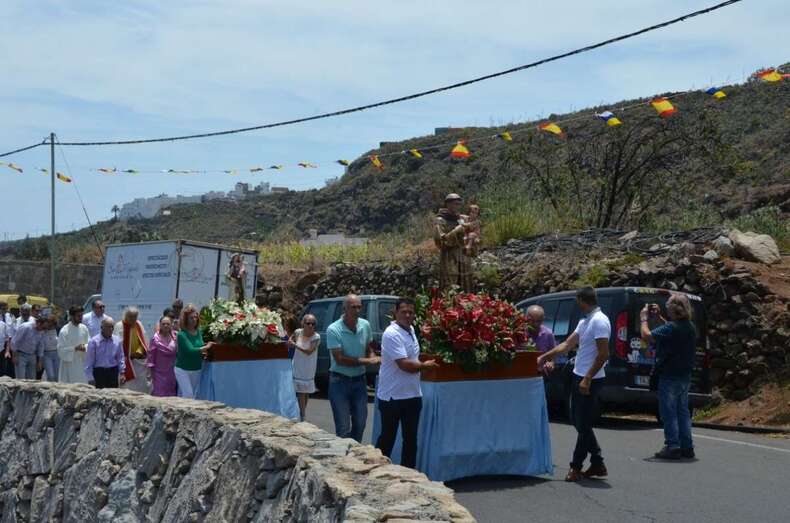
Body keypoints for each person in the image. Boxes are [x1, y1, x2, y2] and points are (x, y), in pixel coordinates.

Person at [538, 287, 611, 482]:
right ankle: (596, 461)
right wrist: (546, 355)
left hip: (591, 378)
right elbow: (567, 345)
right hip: (579, 374)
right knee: (580, 422)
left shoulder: (599, 321)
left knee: (583, 423)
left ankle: (578, 465)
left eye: (577, 301)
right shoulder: (585, 321)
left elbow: (604, 354)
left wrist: (587, 378)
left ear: (581, 300)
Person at [375, 298, 439, 469]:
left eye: (411, 312)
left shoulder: (410, 329)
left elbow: (412, 355)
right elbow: (405, 365)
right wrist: (425, 366)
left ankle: (408, 477)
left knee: (410, 440)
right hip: (392, 397)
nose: (408, 315)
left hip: (412, 394)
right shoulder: (391, 333)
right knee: (387, 438)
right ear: (395, 313)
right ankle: (375, 471)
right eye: (404, 312)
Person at [640, 295, 697, 460]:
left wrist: (644, 319)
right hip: (684, 376)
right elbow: (672, 330)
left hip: (669, 374)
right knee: (682, 411)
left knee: (668, 411)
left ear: (674, 308)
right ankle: (687, 446)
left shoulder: (672, 328)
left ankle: (672, 445)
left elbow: (647, 336)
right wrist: (659, 318)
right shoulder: (689, 327)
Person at [326, 294, 380, 442]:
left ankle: (353, 457)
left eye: (359, 307)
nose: (357, 310)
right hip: (339, 381)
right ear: (344, 309)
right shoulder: (333, 329)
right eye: (353, 307)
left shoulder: (365, 325)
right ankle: (343, 461)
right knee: (343, 427)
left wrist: (372, 355)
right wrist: (368, 361)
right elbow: (340, 359)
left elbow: (368, 347)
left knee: (360, 424)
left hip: (359, 381)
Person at [434, 193, 477, 292]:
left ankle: (468, 305)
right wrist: (456, 231)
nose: (457, 206)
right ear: (447, 204)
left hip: (463, 255)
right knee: (450, 284)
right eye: (454, 204)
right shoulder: (440, 220)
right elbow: (440, 242)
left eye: (458, 204)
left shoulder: (462, 219)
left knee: (466, 283)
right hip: (449, 256)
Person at [175, 304, 214, 399]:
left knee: (187, 395)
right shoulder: (181, 335)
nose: (194, 320)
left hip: (196, 368)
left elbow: (199, 346)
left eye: (195, 317)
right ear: (186, 319)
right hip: (182, 369)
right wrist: (207, 347)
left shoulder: (199, 332)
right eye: (191, 318)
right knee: (188, 395)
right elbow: (190, 350)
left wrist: (205, 349)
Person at [289, 314, 321, 421]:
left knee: (306, 392)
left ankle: (302, 412)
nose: (311, 326)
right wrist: (290, 342)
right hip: (298, 365)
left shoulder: (316, 337)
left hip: (309, 366)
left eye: (313, 324)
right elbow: (291, 339)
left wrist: (295, 345)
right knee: (301, 392)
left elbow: (309, 351)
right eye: (308, 323)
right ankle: (302, 415)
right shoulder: (298, 332)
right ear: (303, 324)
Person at [114, 307, 149, 393]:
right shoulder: (120, 325)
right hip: (125, 361)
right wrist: (128, 355)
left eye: (135, 316)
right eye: (130, 316)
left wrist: (138, 352)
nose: (133, 319)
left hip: (137, 360)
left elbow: (144, 340)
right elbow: (117, 344)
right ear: (125, 316)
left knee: (141, 387)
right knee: (126, 387)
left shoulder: (139, 324)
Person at [84, 318, 125, 388]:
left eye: (112, 327)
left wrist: (122, 373)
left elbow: (120, 357)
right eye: (108, 327)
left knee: (113, 396)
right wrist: (90, 378)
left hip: (113, 372)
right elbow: (89, 361)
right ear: (102, 327)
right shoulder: (94, 341)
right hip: (99, 373)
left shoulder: (117, 340)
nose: (111, 329)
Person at [57, 305, 90, 384]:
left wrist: (85, 347)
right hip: (69, 365)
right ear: (72, 316)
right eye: (78, 316)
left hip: (81, 364)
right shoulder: (64, 331)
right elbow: (61, 350)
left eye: (81, 315)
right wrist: (75, 348)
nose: (81, 317)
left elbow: (89, 343)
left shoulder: (84, 328)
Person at [146, 315, 178, 397]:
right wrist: (150, 374)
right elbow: (150, 357)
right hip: (159, 374)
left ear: (171, 325)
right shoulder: (155, 339)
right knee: (159, 396)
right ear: (160, 325)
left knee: (172, 397)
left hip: (172, 373)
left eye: (168, 324)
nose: (166, 325)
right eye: (163, 324)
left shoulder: (175, 337)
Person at [11, 315, 46, 380]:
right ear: (38, 323)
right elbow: (15, 341)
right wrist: (14, 356)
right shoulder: (25, 327)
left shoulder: (42, 331)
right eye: (43, 327)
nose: (43, 330)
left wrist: (39, 361)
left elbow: (41, 346)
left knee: (32, 379)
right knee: (20, 379)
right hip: (21, 355)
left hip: (32, 355)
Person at [526, 305, 558, 372]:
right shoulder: (519, 333)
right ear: (526, 319)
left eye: (538, 321)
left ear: (543, 319)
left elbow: (553, 355)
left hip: (540, 374)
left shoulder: (548, 334)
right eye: (532, 321)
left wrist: (551, 363)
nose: (535, 324)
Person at [38, 316, 60, 381]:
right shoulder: (42, 332)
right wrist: (40, 360)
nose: (46, 324)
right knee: (50, 376)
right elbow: (41, 347)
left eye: (48, 322)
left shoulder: (58, 331)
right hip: (47, 355)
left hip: (57, 354)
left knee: (57, 375)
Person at [0, 303, 13, 378]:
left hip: (7, 342)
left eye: (6, 308)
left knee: (5, 365)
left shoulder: (10, 316)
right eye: (3, 309)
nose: (5, 310)